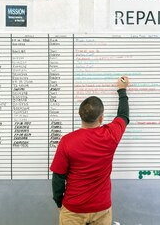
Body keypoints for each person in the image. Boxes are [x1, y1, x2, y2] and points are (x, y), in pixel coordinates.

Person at [50, 76, 130, 225]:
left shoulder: (67, 141)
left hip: (73, 209)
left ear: (80, 115)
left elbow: (58, 178)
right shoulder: (110, 135)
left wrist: (59, 202)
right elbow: (123, 116)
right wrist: (122, 90)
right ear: (101, 118)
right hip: (101, 208)